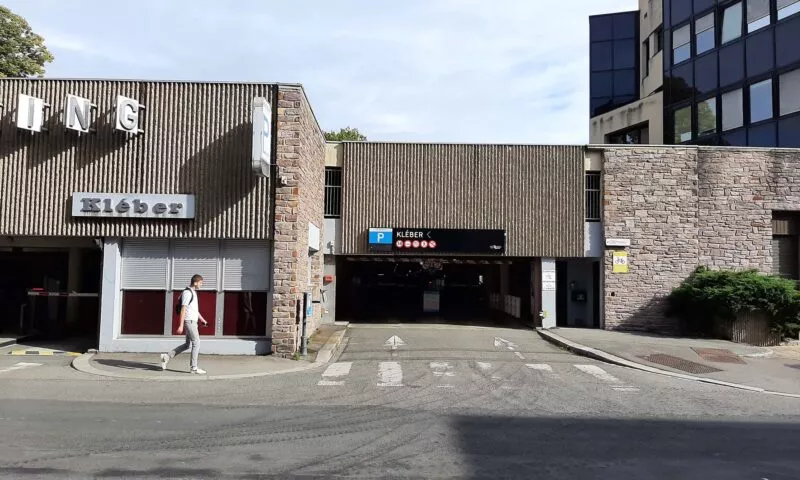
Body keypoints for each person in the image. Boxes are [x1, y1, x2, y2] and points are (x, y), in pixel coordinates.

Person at [161, 274, 208, 374]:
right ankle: (194, 368)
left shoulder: (193, 292)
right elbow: (183, 309)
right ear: (195, 283)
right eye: (200, 283)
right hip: (189, 321)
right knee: (196, 342)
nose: (202, 284)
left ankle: (167, 356)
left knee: (188, 344)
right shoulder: (187, 293)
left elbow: (194, 310)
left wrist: (202, 319)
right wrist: (181, 325)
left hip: (192, 321)